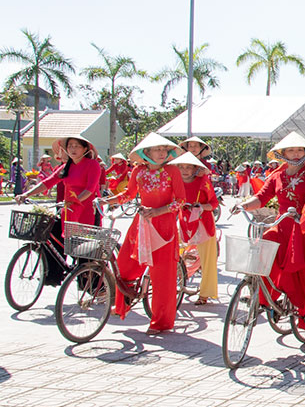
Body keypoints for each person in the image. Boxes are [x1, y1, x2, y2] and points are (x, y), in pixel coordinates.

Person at [237, 132, 305, 352]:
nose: (296, 153)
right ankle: (266, 299)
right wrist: (242, 205)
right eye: (291, 150)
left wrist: (304, 216)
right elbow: (261, 197)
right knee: (263, 247)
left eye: (300, 150)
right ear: (283, 153)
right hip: (282, 226)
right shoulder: (277, 174)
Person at [106, 134, 185, 333]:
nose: (161, 153)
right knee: (124, 265)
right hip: (141, 224)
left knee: (162, 276)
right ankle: (123, 304)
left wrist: (159, 211)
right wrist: (107, 201)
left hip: (164, 226)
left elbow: (181, 200)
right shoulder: (138, 172)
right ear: (146, 153)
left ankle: (160, 322)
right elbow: (128, 195)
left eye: (164, 150)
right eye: (157, 149)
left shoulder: (172, 171)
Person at [19, 134, 104, 286]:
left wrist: (75, 200)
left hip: (88, 210)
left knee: (84, 250)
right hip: (69, 209)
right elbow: (48, 182)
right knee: (51, 234)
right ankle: (53, 275)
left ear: (85, 149)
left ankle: (94, 286)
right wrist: (25, 194)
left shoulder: (92, 165)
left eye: (77, 146)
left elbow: (90, 189)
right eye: (70, 146)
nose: (73, 149)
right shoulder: (66, 167)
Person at [170, 152, 219, 305]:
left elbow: (214, 204)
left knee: (208, 260)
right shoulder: (173, 182)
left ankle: (205, 293)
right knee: (174, 255)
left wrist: (201, 207)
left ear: (194, 168)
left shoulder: (203, 182)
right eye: (181, 167)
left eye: (188, 167)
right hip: (183, 222)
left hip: (203, 223)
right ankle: (172, 287)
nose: (185, 170)